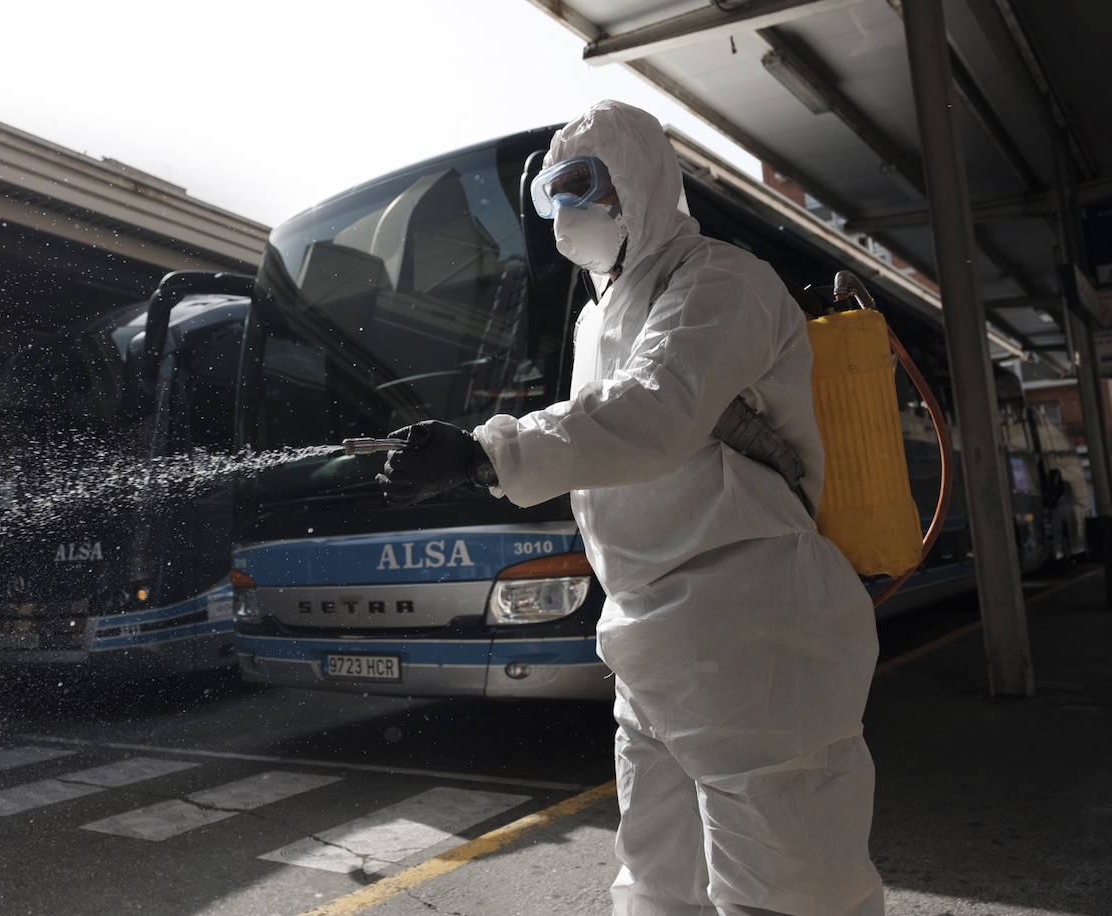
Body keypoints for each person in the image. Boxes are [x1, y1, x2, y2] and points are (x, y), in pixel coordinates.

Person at [379, 100, 884, 915]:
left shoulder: (721, 280)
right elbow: (611, 438)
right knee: (658, 883)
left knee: (789, 887)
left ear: (640, 180)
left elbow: (653, 411)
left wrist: (485, 454)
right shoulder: (597, 316)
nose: (565, 209)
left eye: (582, 183)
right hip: (648, 633)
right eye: (551, 193)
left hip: (750, 621)